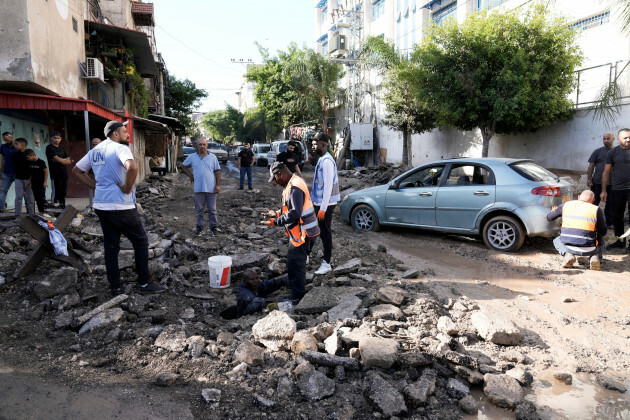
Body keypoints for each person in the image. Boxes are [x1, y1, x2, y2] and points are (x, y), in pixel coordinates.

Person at [73, 120, 167, 296]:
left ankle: (115, 286)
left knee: (111, 246)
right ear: (115, 134)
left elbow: (76, 170)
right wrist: (127, 187)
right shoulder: (120, 148)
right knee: (140, 242)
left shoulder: (95, 151)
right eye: (124, 132)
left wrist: (95, 186)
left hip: (101, 205)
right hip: (121, 206)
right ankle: (144, 284)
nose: (127, 135)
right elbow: (132, 167)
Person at [263, 162, 320, 303]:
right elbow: (290, 209)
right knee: (294, 263)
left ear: (280, 174)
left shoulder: (294, 187)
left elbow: (295, 213)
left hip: (303, 233)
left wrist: (275, 222)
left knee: (296, 264)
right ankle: (296, 289)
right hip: (303, 232)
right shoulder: (293, 183)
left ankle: (298, 295)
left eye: (275, 179)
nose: (275, 183)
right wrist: (276, 214)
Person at [546, 190, 607, 270]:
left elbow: (549, 218)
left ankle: (568, 255)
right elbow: (603, 231)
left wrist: (554, 211)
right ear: (592, 201)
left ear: (579, 197)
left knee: (556, 240)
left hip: (568, 247)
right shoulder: (595, 209)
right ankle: (595, 256)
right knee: (600, 237)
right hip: (590, 248)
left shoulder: (566, 205)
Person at [310, 132, 340, 275]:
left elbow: (328, 186)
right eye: (313, 144)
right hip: (320, 202)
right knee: (315, 229)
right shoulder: (322, 159)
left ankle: (327, 262)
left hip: (326, 204)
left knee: (325, 232)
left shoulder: (327, 161)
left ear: (324, 144)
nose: (313, 146)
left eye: (315, 144)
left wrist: (322, 208)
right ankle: (307, 254)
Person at [180, 138, 221, 236]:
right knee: (199, 210)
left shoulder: (213, 157)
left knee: (212, 210)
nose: (202, 146)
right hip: (198, 189)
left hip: (211, 189)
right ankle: (200, 228)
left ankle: (213, 228)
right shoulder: (192, 157)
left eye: (203, 144)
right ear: (196, 146)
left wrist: (218, 185)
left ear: (207, 146)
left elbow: (218, 172)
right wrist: (190, 175)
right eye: (200, 144)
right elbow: (183, 166)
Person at [600, 128, 630, 251]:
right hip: (617, 189)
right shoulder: (612, 153)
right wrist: (603, 190)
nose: (628, 139)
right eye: (625, 138)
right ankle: (620, 241)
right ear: (618, 139)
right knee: (617, 216)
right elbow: (606, 173)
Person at [587, 132, 614, 226]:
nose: (605, 141)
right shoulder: (597, 151)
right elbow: (591, 165)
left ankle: (610, 223)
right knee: (593, 203)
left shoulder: (617, 152)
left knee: (611, 205)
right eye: (604, 139)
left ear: (613, 139)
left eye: (608, 138)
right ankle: (590, 222)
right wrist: (589, 179)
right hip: (597, 182)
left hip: (612, 184)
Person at [46, 131, 72, 208]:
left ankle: (62, 207)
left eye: (58, 138)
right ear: (51, 138)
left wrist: (60, 160)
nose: (56, 140)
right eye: (54, 138)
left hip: (64, 174)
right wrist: (63, 160)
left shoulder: (62, 148)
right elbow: (57, 159)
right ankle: (54, 208)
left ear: (60, 139)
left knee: (63, 193)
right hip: (55, 174)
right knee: (56, 192)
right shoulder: (49, 148)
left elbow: (69, 161)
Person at [11, 139, 35, 216]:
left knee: (30, 198)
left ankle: (31, 215)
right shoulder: (15, 155)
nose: (15, 145)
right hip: (18, 179)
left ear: (23, 145)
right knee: (18, 197)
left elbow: (33, 168)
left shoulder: (29, 154)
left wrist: (31, 179)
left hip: (28, 180)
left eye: (16, 144)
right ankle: (18, 215)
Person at [25, 149, 48, 213]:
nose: (28, 159)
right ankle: (40, 212)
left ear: (33, 155)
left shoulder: (41, 162)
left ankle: (44, 211)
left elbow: (46, 171)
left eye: (28, 157)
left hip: (41, 184)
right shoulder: (30, 163)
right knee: (36, 199)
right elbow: (31, 173)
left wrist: (45, 182)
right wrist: (29, 181)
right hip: (34, 184)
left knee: (41, 199)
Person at [0, 132, 17, 212]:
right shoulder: (3, 147)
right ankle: (0, 209)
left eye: (7, 140)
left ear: (11, 137)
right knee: (3, 191)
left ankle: (26, 210)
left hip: (18, 173)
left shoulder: (18, 146)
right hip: (6, 173)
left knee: (21, 192)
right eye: (4, 140)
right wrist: (1, 170)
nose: (6, 142)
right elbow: (3, 158)